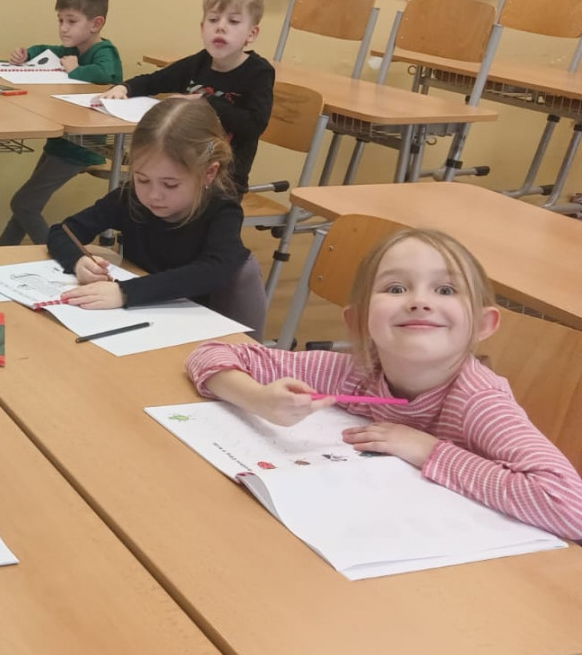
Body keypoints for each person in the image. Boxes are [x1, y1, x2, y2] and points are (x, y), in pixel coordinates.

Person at [186, 228, 582, 539]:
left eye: (445, 290)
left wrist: (427, 450)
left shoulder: (478, 401)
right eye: (396, 289)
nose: (419, 301)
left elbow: (569, 506)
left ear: (482, 325)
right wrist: (258, 399)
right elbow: (210, 353)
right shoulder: (356, 373)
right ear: (358, 321)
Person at [45, 98, 266, 334]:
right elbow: (62, 232)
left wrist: (125, 292)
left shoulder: (222, 212)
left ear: (208, 173)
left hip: (199, 328)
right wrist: (78, 261)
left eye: (170, 184)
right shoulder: (130, 199)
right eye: (142, 179)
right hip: (145, 318)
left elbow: (212, 271)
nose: (153, 195)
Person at [98, 0, 274, 191]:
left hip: (223, 183)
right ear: (202, 28)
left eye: (234, 21)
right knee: (130, 193)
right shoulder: (197, 63)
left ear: (252, 34)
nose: (220, 27)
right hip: (178, 172)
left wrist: (203, 100)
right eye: (213, 19)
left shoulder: (258, 72)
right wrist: (124, 88)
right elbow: (154, 81)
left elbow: (254, 125)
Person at [0, 0, 124, 246]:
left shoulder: (104, 52)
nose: (64, 28)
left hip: (82, 146)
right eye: (60, 20)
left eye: (71, 21)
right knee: (28, 204)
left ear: (96, 24)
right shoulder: (72, 49)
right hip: (62, 141)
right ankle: (1, 253)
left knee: (24, 203)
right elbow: (48, 51)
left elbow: (106, 74)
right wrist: (26, 54)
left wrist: (76, 70)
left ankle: (59, 253)